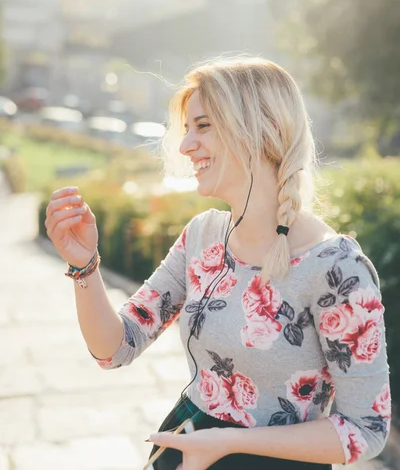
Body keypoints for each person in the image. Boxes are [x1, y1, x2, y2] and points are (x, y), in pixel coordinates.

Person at [45, 57, 391, 470]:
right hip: (184, 450)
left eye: (203, 126)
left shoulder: (337, 269)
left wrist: (225, 443)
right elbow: (115, 348)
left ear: (264, 130)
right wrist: (85, 267)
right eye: (187, 128)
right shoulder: (202, 236)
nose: (186, 145)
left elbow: (366, 430)